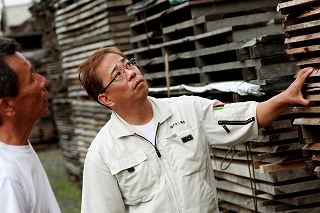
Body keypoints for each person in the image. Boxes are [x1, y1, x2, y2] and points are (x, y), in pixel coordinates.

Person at [78, 46, 314, 213]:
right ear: (106, 98)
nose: (131, 73)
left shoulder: (187, 110)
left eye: (128, 64)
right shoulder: (102, 153)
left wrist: (284, 97)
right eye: (118, 74)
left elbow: (248, 116)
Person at [0, 37, 61, 213]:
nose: (43, 81)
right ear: (7, 106)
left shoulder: (19, 146)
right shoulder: (6, 178)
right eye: (32, 78)